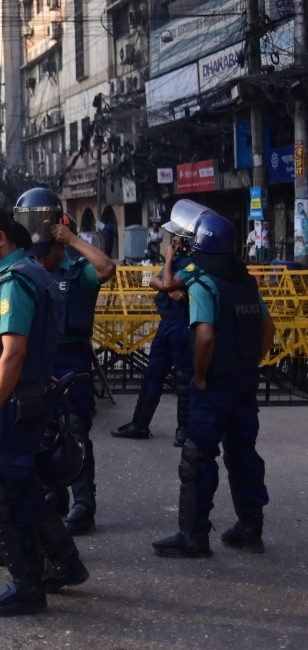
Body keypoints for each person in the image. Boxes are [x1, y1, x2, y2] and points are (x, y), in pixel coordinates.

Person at [0, 207, 88, 617]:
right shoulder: (32, 273)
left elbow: (13, 353)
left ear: (1, 238)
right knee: (24, 486)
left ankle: (27, 586)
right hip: (28, 398)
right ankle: (67, 563)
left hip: (13, 403)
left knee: (3, 490)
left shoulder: (15, 280)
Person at [152, 212, 275, 558]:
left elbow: (204, 335)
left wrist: (202, 375)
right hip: (244, 381)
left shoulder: (203, 283)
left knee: (198, 456)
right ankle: (250, 528)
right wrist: (252, 362)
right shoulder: (246, 282)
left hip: (215, 383)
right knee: (243, 453)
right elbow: (268, 330)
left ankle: (193, 535)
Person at [17, 188, 116, 536]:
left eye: (48, 249)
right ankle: (53, 494)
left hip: (72, 357)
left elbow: (106, 268)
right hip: (38, 359)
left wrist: (72, 239)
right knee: (43, 432)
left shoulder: (79, 272)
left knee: (75, 433)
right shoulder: (29, 268)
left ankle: (84, 504)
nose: (42, 257)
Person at [113, 199, 206, 445]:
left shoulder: (195, 262)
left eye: (175, 237)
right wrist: (168, 288)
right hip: (167, 324)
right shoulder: (177, 260)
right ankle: (140, 424)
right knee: (153, 375)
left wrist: (167, 266)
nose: (171, 240)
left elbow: (164, 281)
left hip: (183, 325)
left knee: (184, 381)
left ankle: (183, 432)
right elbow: (156, 282)